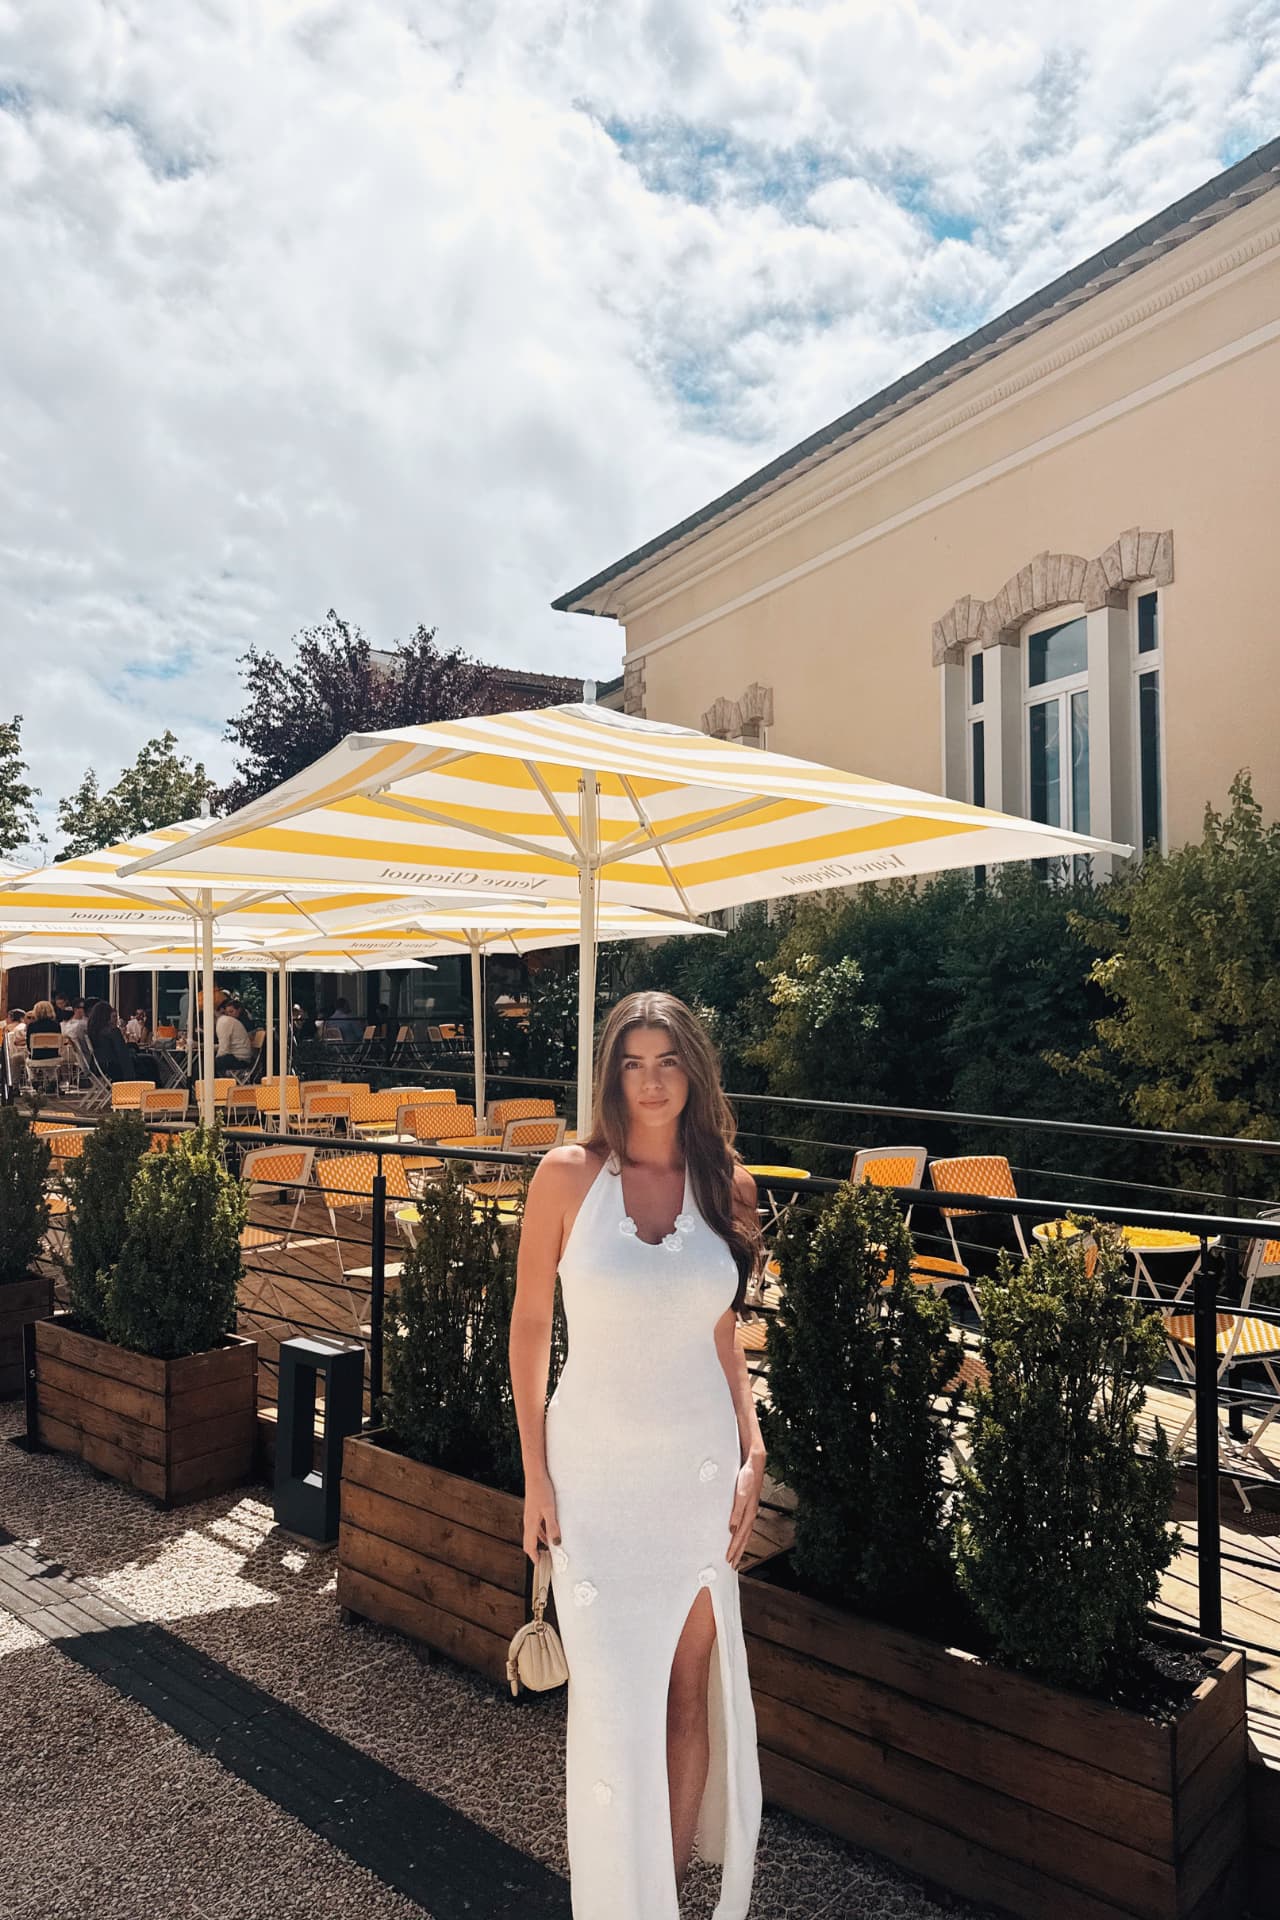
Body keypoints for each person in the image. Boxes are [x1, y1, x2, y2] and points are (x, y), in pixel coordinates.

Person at [510, 992, 764, 1919]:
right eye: (632, 1063)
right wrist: (534, 1473)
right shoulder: (566, 1177)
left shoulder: (728, 1185)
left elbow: (723, 1335)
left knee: (685, 1692)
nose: (651, 1081)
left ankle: (666, 1896)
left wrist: (754, 1445)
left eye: (667, 1061)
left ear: (694, 1069)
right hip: (594, 1480)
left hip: (697, 1477)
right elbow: (528, 1328)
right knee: (614, 1706)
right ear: (610, 1075)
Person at [87, 1001, 136, 1084]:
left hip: (99, 1066)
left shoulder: (93, 1032)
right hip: (115, 1068)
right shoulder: (113, 1032)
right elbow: (123, 1054)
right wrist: (130, 1077)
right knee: (149, 1061)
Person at [214, 996, 255, 1074]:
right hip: (244, 1056)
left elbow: (224, 1048)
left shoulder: (224, 1022)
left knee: (209, 1062)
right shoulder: (230, 1021)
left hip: (240, 1059)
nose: (229, 1015)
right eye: (227, 1013)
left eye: (231, 1011)